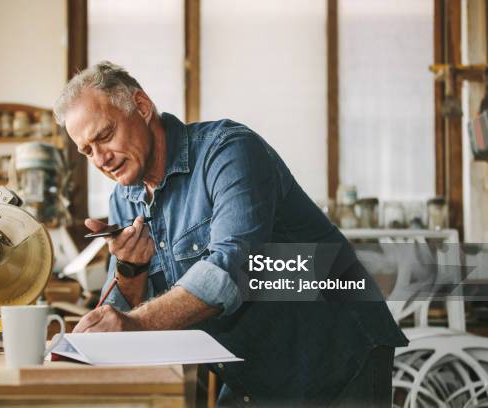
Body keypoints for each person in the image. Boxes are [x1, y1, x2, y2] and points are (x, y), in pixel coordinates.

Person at [54, 61, 408, 407]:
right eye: (87, 151)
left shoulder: (229, 151)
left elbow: (232, 270)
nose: (100, 158)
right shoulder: (125, 197)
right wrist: (130, 272)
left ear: (142, 107)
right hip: (254, 366)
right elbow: (132, 304)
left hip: (334, 349)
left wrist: (134, 324)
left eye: (104, 135)